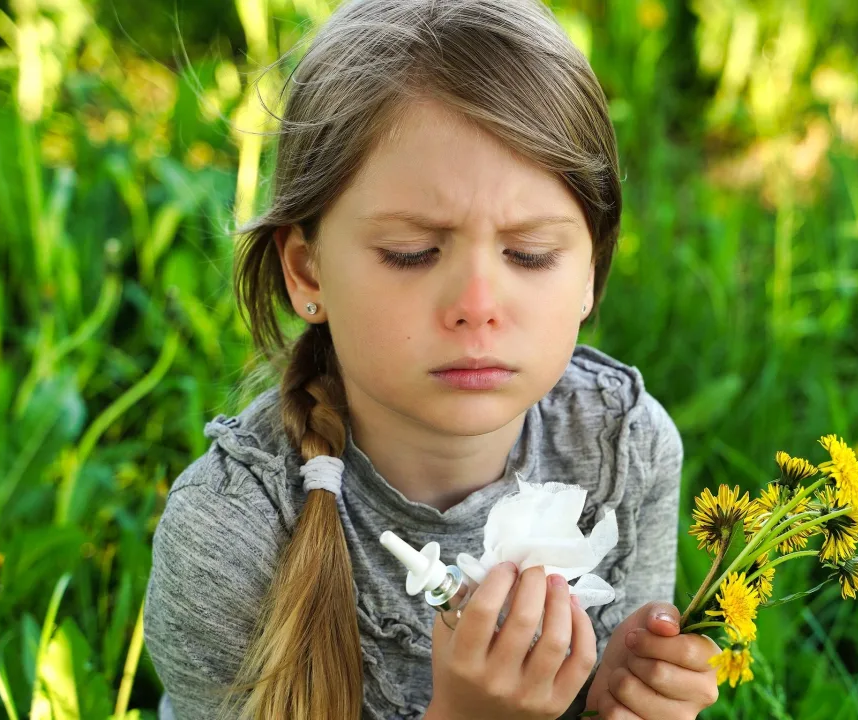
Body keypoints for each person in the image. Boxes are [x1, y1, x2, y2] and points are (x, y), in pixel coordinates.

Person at [142, 0, 720, 717]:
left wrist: (617, 702)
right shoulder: (230, 537)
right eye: (411, 253)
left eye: (529, 255)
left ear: (592, 274)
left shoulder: (624, 448)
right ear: (308, 272)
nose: (477, 304)